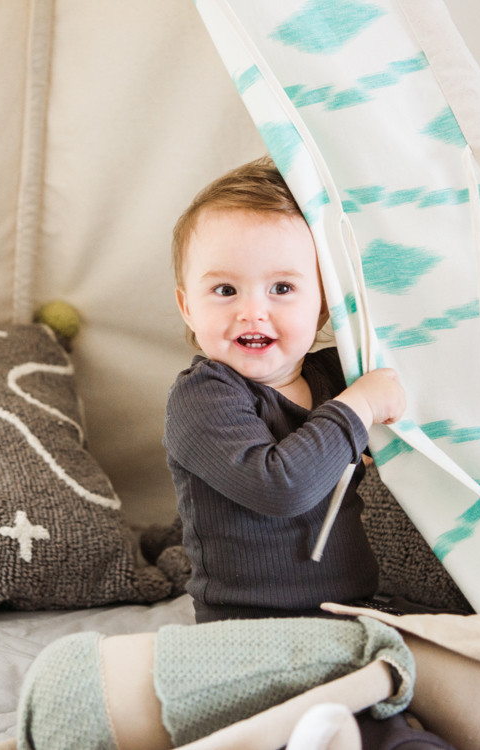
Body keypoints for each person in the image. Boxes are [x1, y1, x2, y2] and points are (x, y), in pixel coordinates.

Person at [164, 156, 407, 623]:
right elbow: (280, 488)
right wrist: (357, 409)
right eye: (225, 290)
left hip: (348, 611)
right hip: (251, 624)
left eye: (280, 287)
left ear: (322, 307)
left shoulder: (338, 374)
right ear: (187, 307)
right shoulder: (202, 398)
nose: (252, 311)